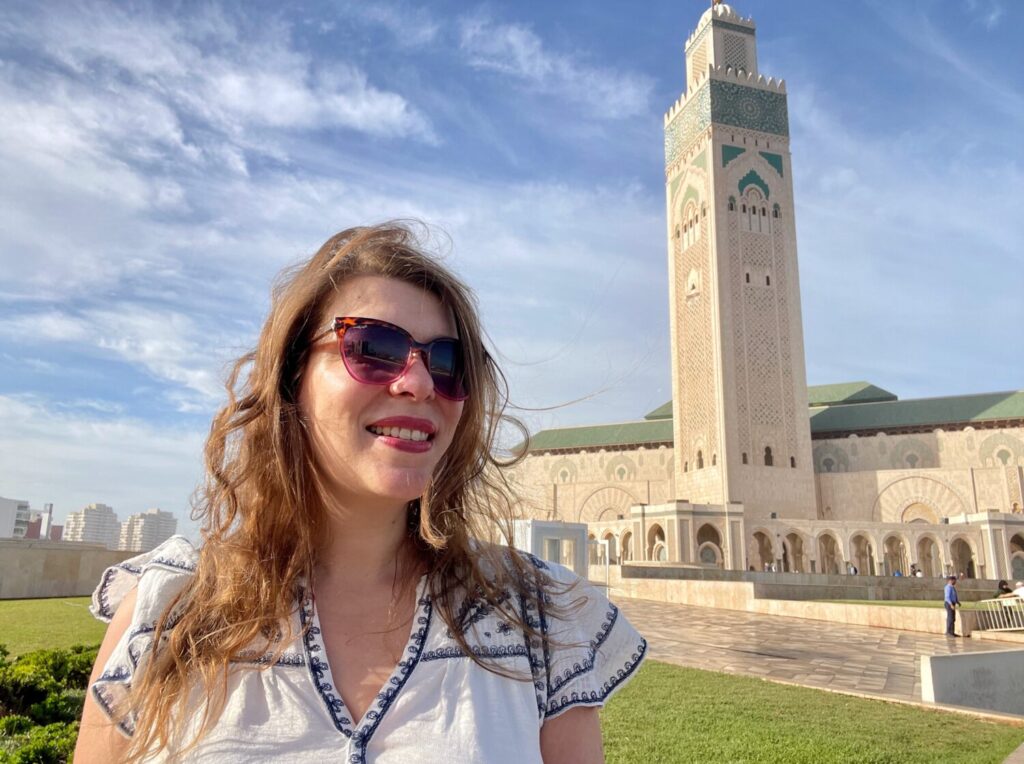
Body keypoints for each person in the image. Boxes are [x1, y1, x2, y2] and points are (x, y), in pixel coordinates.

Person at [74, 224, 647, 763]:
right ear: (292, 380)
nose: (419, 383)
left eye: (449, 363)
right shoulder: (171, 612)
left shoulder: (539, 620)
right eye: (372, 348)